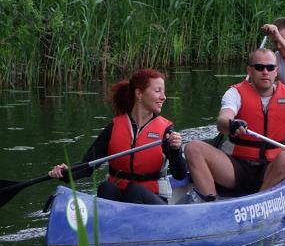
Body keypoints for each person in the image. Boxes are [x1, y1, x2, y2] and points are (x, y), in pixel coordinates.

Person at [183, 48, 285, 202]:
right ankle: (211, 204)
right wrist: (232, 124)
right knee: (193, 148)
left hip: (271, 169)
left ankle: (258, 201)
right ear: (250, 70)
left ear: (276, 71)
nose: (265, 72)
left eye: (270, 67)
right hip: (237, 168)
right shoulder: (235, 93)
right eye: (259, 67)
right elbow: (222, 121)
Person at [48, 69, 186, 205]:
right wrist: (66, 172)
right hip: (121, 201)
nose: (164, 97)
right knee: (106, 188)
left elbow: (179, 175)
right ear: (139, 93)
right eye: (158, 91)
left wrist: (175, 150)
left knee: (134, 190)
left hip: (153, 203)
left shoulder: (166, 131)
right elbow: (88, 165)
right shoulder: (114, 128)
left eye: (163, 91)